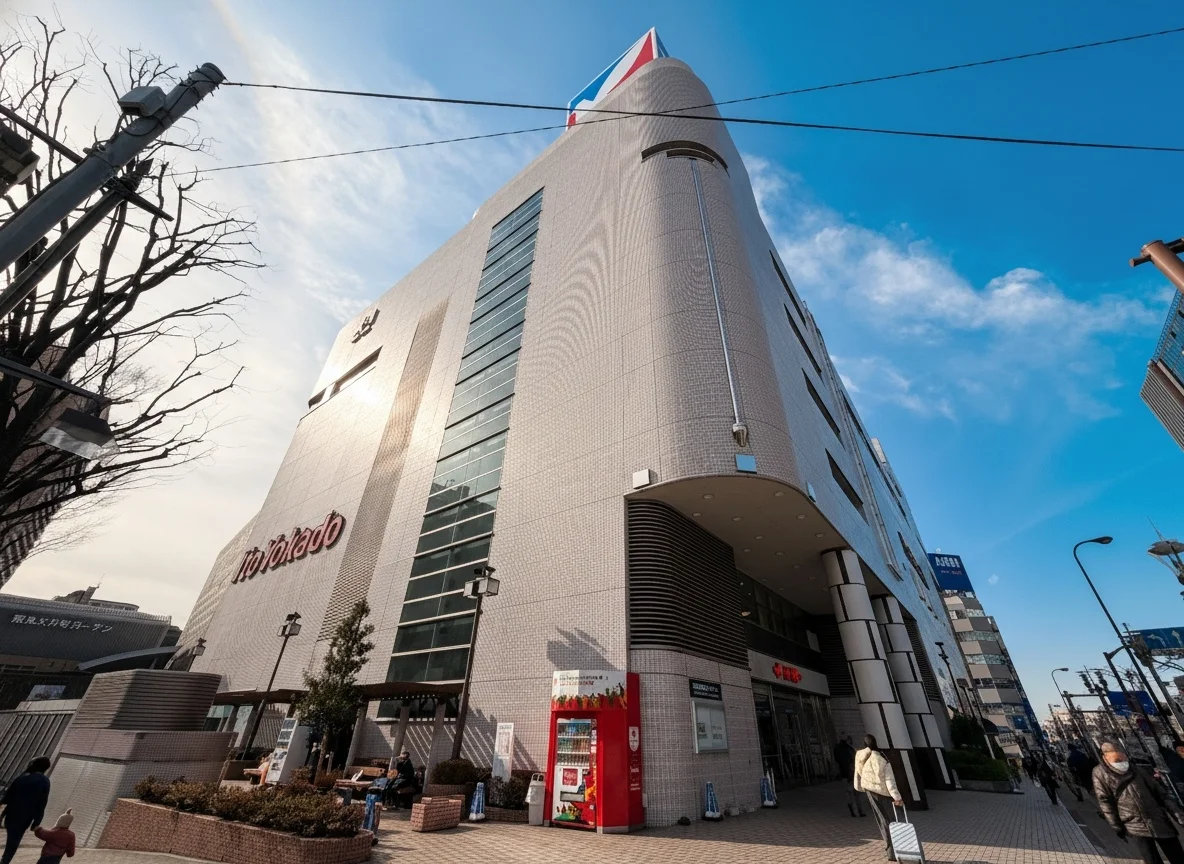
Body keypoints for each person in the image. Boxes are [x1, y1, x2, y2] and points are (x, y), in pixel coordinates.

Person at [1093, 740, 1184, 864]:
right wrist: (1116, 826)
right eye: (1116, 759)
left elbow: (1161, 794)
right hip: (1133, 824)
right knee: (1151, 859)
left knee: (1177, 855)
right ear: (1105, 757)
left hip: (1157, 818)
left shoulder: (1136, 769)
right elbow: (1105, 801)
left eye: (1122, 756)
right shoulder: (1099, 773)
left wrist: (1178, 814)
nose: (1121, 762)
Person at [854, 734, 904, 862]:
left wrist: (860, 786)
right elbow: (889, 780)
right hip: (884, 792)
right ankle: (894, 850)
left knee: (882, 820)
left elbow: (858, 772)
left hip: (870, 790)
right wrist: (897, 797)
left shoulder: (860, 756)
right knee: (891, 821)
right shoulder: (882, 758)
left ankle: (890, 850)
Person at [1, 756, 52, 864]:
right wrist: (36, 822)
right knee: (12, 844)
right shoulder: (44, 781)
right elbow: (42, 803)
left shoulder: (22, 777)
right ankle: (4, 861)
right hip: (25, 817)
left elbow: (8, 797)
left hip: (10, 814)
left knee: (10, 838)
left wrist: (2, 814)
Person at [833, 734, 866, 817]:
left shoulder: (837, 748)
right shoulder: (851, 749)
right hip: (853, 773)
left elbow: (837, 760)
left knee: (849, 793)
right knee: (856, 793)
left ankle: (852, 811)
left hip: (844, 774)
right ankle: (860, 811)